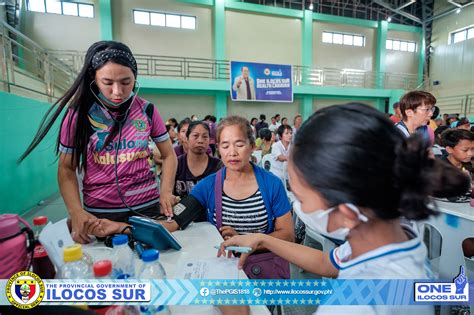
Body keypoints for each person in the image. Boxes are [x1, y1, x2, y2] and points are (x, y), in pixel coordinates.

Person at [218, 103, 469, 315]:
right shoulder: (391, 231)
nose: (298, 207)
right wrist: (264, 239)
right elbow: (329, 262)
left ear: (346, 213)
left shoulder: (355, 304)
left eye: (302, 200)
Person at [19, 41, 178, 243]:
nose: (118, 91)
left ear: (135, 78)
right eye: (108, 82)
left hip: (148, 210)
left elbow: (169, 155)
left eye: (126, 82)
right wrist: (76, 211)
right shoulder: (78, 116)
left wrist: (165, 191)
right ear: (94, 80)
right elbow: (67, 169)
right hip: (99, 216)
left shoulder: (147, 111)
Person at [174, 121, 222, 199]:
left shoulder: (218, 166)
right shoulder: (176, 164)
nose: (200, 140)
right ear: (187, 138)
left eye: (205, 137)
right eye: (195, 136)